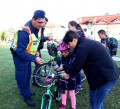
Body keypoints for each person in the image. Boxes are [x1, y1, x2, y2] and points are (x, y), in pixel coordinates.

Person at [57, 30, 120, 109]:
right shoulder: (82, 44)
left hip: (107, 77)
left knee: (96, 103)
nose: (69, 46)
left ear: (74, 40)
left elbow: (77, 67)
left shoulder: (83, 47)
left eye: (69, 44)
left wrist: (64, 66)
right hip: (98, 77)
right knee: (94, 101)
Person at [10, 10, 45, 106]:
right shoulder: (24, 32)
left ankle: (27, 91)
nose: (42, 24)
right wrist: (34, 58)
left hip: (27, 55)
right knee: (22, 76)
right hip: (19, 56)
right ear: (33, 19)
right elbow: (20, 51)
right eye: (39, 22)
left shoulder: (38, 28)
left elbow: (34, 43)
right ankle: (26, 95)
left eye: (43, 22)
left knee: (28, 74)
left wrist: (36, 52)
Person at [54, 41, 77, 109]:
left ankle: (73, 106)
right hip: (62, 79)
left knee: (71, 93)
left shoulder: (73, 58)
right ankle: (63, 104)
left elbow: (75, 70)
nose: (63, 54)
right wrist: (56, 68)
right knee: (63, 92)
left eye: (65, 52)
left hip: (71, 79)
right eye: (62, 52)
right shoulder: (61, 58)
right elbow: (58, 65)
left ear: (70, 50)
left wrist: (69, 75)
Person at [32, 17, 53, 86]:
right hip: (35, 49)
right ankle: (35, 81)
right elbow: (39, 38)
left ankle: (37, 79)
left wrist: (46, 37)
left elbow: (41, 37)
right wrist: (47, 38)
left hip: (38, 48)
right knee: (38, 64)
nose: (44, 24)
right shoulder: (38, 28)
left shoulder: (41, 28)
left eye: (45, 23)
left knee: (39, 64)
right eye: (44, 22)